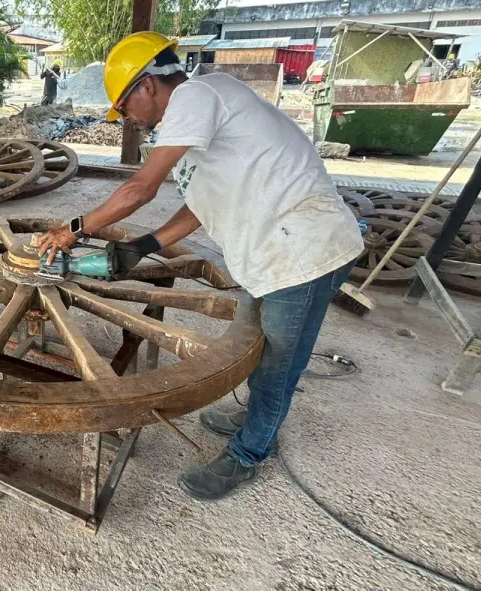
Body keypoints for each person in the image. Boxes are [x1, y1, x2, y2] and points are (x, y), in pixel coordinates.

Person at [35, 31, 363, 501]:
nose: (127, 119)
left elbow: (139, 189)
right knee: (261, 344)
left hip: (307, 253)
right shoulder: (197, 119)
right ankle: (255, 416)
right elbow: (199, 207)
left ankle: (250, 452)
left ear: (148, 85)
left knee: (276, 366)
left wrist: (73, 228)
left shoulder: (196, 95)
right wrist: (144, 244)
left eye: (125, 106)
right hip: (272, 250)